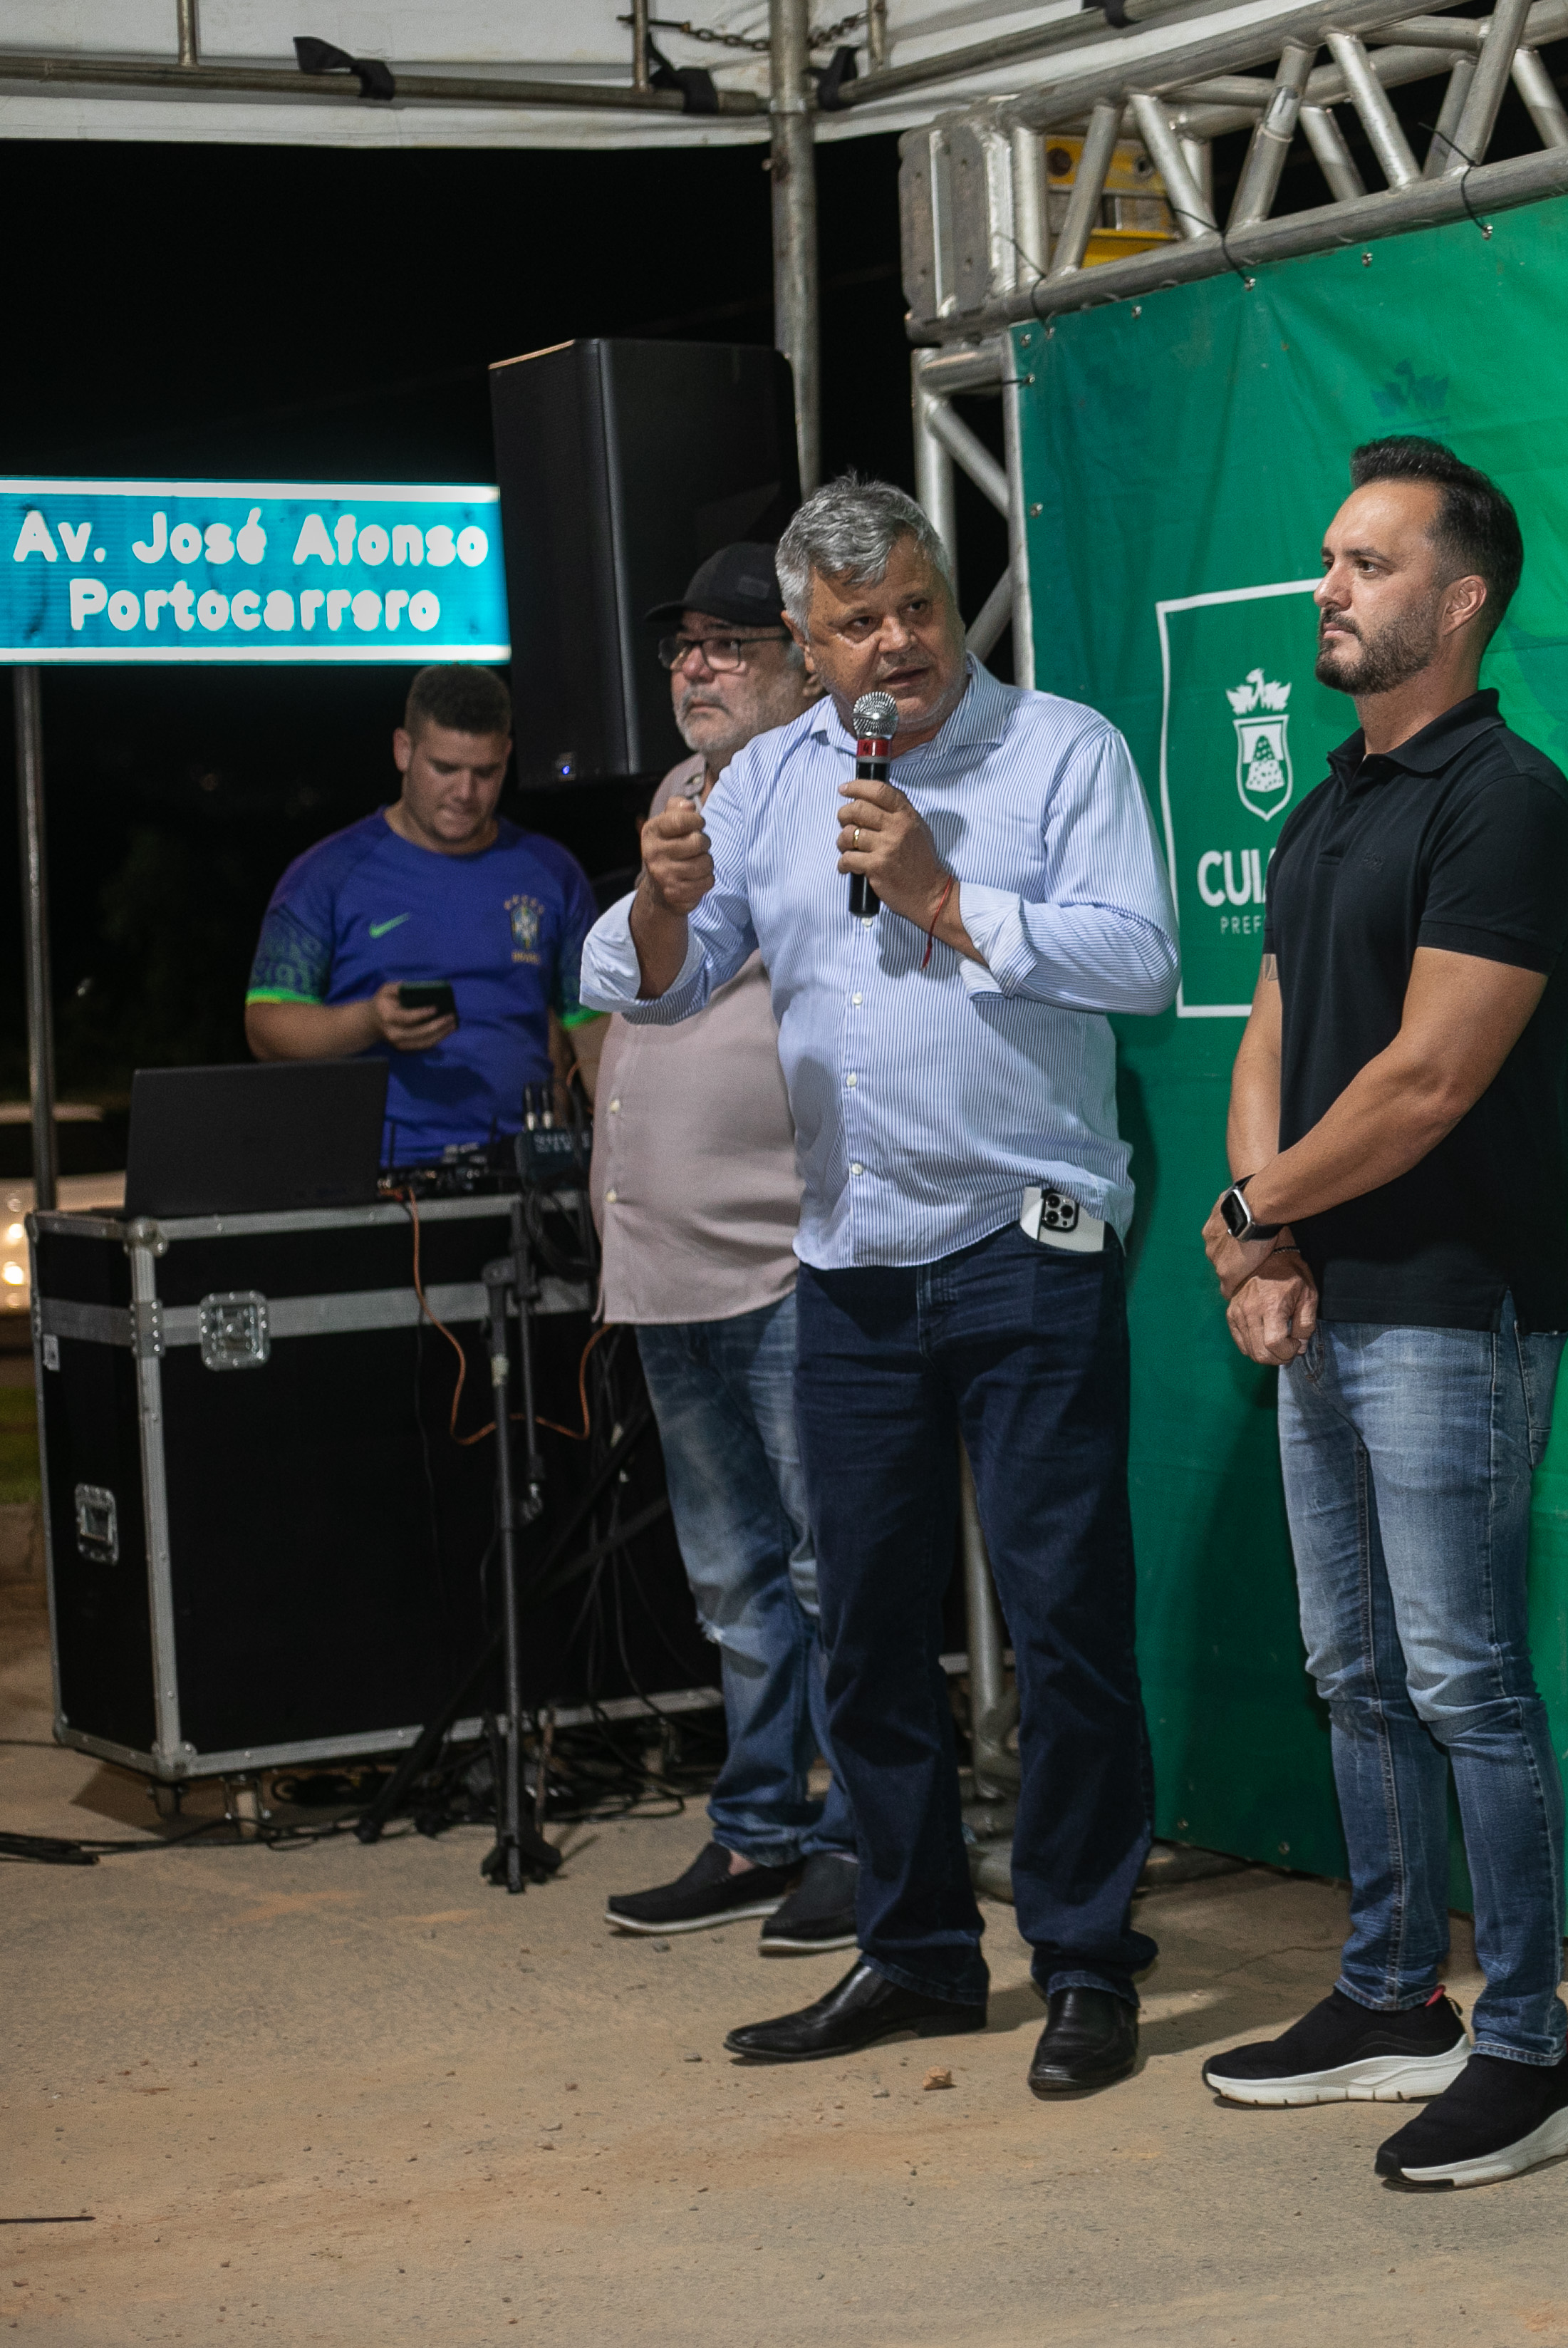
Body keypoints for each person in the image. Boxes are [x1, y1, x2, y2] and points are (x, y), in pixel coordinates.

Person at [581, 476, 1180, 2094]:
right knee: (864, 1634)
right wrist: (660, 897)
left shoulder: (1061, 750)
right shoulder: (773, 776)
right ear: (810, 642)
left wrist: (944, 899)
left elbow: (1144, 961)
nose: (898, 642)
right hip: (845, 1257)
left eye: (918, 604)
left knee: (1060, 1622)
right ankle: (915, 1952)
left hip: (1027, 1238)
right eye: (858, 625)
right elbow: (653, 982)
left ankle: (1084, 1959)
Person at [1193, 438, 1568, 2189]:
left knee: (1462, 1680)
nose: (1329, 589)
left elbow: (1433, 1078)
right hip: (1326, 1293)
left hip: (1453, 1305)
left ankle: (1532, 2047)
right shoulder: (1325, 804)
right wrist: (1266, 1241)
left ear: (1463, 599)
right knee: (1353, 1669)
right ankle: (1390, 1993)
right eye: (1329, 559)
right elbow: (1274, 1032)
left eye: (1368, 565)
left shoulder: (1505, 799)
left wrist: (1251, 1214)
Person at [595, 543, 856, 1957]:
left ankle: (861, 1840)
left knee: (830, 1567)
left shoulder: (830, 791)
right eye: (680, 645)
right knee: (731, 1577)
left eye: (726, 643)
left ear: (803, 661)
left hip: (788, 1258)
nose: (693, 665)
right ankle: (760, 1824)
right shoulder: (679, 798)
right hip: (670, 1266)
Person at [245, 665, 601, 1162]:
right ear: (403, 751)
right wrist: (369, 1021)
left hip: (524, 1170)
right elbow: (266, 1025)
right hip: (375, 1171)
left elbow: (594, 1029)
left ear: (506, 757)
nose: (465, 792)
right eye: (445, 768)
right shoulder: (327, 874)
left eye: (485, 773)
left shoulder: (551, 872)